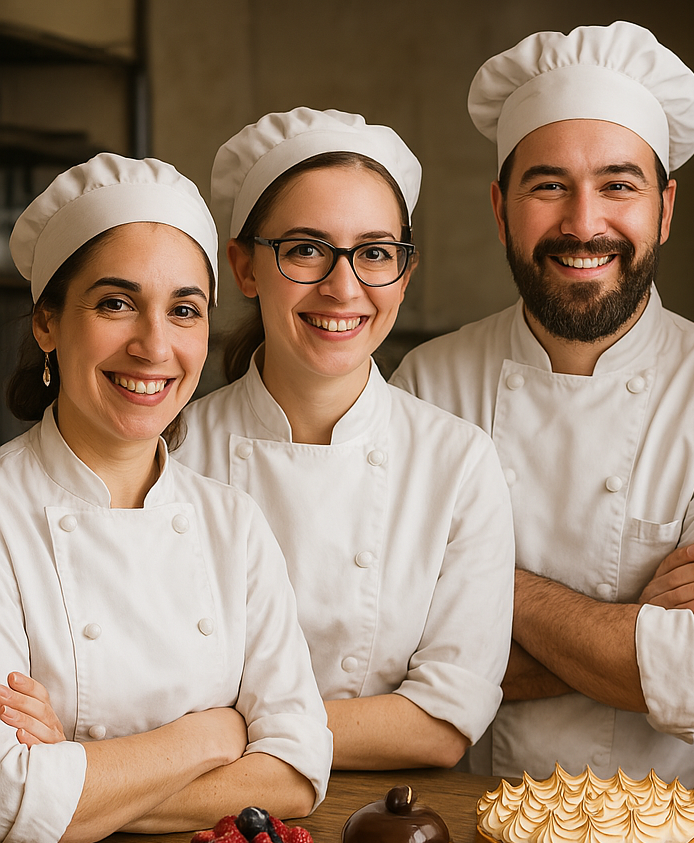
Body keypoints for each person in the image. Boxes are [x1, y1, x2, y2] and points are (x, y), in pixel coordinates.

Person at [392, 22, 694, 786]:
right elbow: (387, 655)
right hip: (467, 835)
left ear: (665, 209)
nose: (584, 224)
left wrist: (486, 590)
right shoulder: (426, 385)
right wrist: (630, 630)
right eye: (549, 185)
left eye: (618, 185)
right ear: (499, 206)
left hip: (684, 841)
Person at [0, 154, 333, 843]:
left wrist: (76, 779)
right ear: (48, 323)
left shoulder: (233, 524)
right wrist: (212, 737)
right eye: (116, 303)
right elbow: (8, 792)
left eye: (184, 309)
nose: (155, 346)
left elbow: (299, 770)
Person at [175, 108, 514, 770]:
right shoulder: (174, 451)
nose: (343, 286)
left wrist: (211, 736)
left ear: (403, 274)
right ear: (244, 268)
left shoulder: (456, 462)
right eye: (305, 249)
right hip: (198, 826)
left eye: (375, 253)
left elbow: (442, 723)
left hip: (390, 827)